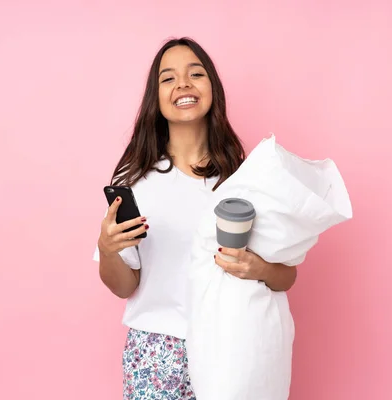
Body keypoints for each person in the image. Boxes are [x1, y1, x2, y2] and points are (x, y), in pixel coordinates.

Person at [94, 37, 298, 400]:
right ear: (154, 99)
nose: (184, 84)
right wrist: (107, 249)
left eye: (196, 73)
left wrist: (259, 269)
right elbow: (125, 286)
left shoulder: (246, 180)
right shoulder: (134, 180)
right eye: (168, 78)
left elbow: (287, 275)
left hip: (234, 345)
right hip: (157, 354)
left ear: (213, 89)